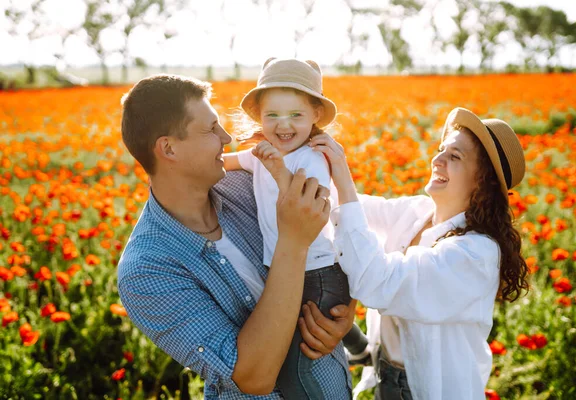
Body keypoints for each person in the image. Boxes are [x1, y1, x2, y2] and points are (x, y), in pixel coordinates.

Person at [116, 74, 356, 399]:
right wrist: (293, 242)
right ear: (168, 148)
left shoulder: (246, 185)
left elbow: (339, 227)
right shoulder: (146, 271)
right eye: (211, 129)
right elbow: (253, 377)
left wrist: (343, 309)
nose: (227, 137)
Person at [306, 107, 530, 400]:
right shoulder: (418, 211)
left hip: (428, 390)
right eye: (441, 150)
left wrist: (344, 178)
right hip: (387, 373)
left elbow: (377, 281)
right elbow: (343, 206)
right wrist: (299, 140)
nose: (437, 160)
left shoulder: (475, 255)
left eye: (455, 156)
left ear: (482, 183)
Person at [223, 57, 368, 400]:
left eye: (295, 115)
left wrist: (275, 166)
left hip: (316, 275)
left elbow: (304, 202)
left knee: (300, 373)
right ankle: (359, 344)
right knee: (290, 358)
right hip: (290, 272)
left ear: (315, 116)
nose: (283, 124)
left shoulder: (311, 158)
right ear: (258, 115)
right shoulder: (261, 153)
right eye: (272, 114)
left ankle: (357, 346)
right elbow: (226, 163)